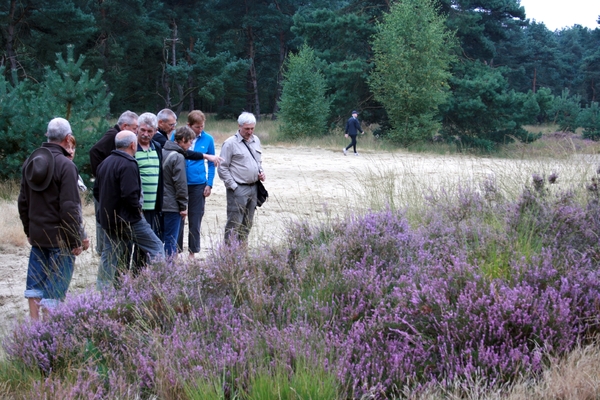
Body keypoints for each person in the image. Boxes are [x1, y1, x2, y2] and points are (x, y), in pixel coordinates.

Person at [18, 118, 87, 319]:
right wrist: (75, 240)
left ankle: (35, 331)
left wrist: (29, 231)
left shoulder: (29, 163)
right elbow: (70, 208)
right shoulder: (66, 166)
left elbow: (23, 202)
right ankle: (49, 335)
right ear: (68, 138)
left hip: (38, 236)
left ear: (48, 136)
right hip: (61, 240)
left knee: (35, 286)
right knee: (55, 292)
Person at [94, 130, 164, 290]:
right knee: (157, 248)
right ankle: (157, 287)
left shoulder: (104, 163)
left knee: (109, 255)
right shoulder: (129, 164)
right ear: (133, 145)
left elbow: (96, 192)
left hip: (109, 220)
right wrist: (137, 210)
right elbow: (130, 195)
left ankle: (102, 292)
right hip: (129, 220)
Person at [89, 110, 139, 256]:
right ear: (124, 126)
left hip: (110, 188)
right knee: (103, 219)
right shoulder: (113, 135)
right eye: (135, 128)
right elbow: (94, 152)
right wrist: (102, 175)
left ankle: (108, 251)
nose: (136, 132)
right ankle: (102, 251)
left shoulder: (117, 136)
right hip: (106, 188)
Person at [218, 112, 266, 243]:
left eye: (252, 128)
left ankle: (242, 253)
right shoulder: (230, 143)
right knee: (234, 223)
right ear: (239, 126)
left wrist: (261, 172)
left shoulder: (256, 140)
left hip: (254, 187)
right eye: (247, 129)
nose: (250, 132)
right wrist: (233, 186)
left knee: (247, 223)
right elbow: (222, 167)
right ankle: (228, 255)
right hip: (238, 188)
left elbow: (258, 161)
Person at [177, 110, 217, 258]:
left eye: (202, 126)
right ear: (189, 125)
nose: (200, 130)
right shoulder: (178, 137)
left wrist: (209, 183)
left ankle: (193, 252)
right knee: (178, 218)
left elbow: (212, 163)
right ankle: (176, 250)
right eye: (197, 127)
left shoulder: (208, 139)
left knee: (195, 218)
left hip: (198, 184)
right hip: (180, 183)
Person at [162, 126, 195, 257]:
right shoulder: (178, 157)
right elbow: (180, 184)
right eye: (190, 141)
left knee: (160, 238)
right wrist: (183, 206)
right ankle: (168, 270)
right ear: (182, 140)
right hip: (172, 204)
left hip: (158, 202)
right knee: (171, 240)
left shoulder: (162, 150)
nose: (191, 145)